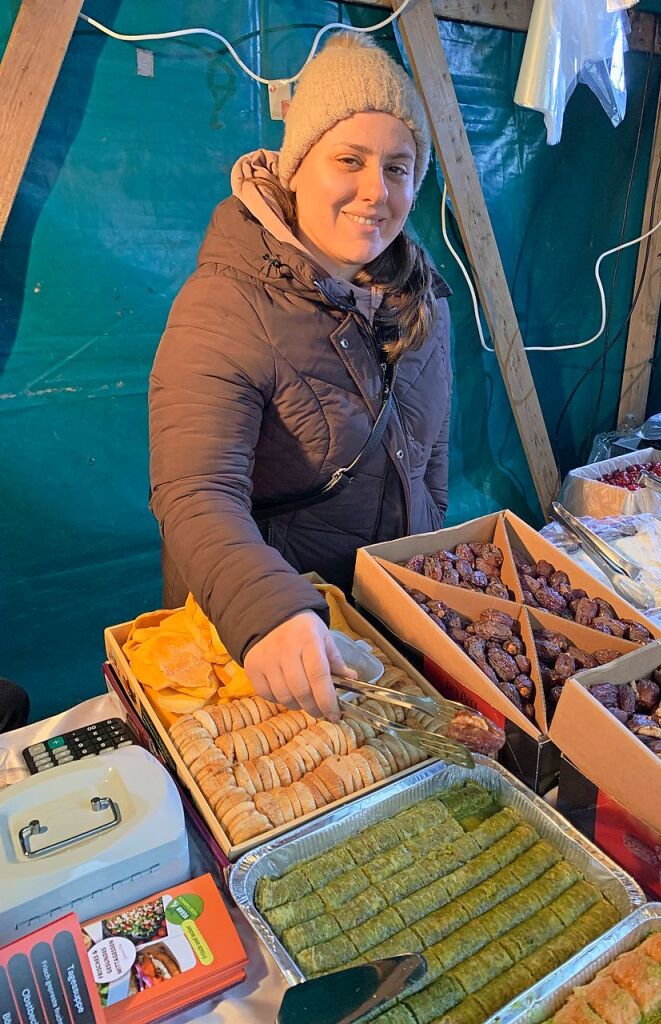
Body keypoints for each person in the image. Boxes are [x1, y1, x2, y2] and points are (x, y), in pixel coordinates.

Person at [149, 32, 452, 722]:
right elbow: (194, 492)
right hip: (265, 641)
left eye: (398, 168)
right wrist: (271, 611)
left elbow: (430, 460)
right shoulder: (224, 303)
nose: (376, 192)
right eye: (350, 160)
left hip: (381, 634)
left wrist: (418, 592)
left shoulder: (422, 299)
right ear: (297, 167)